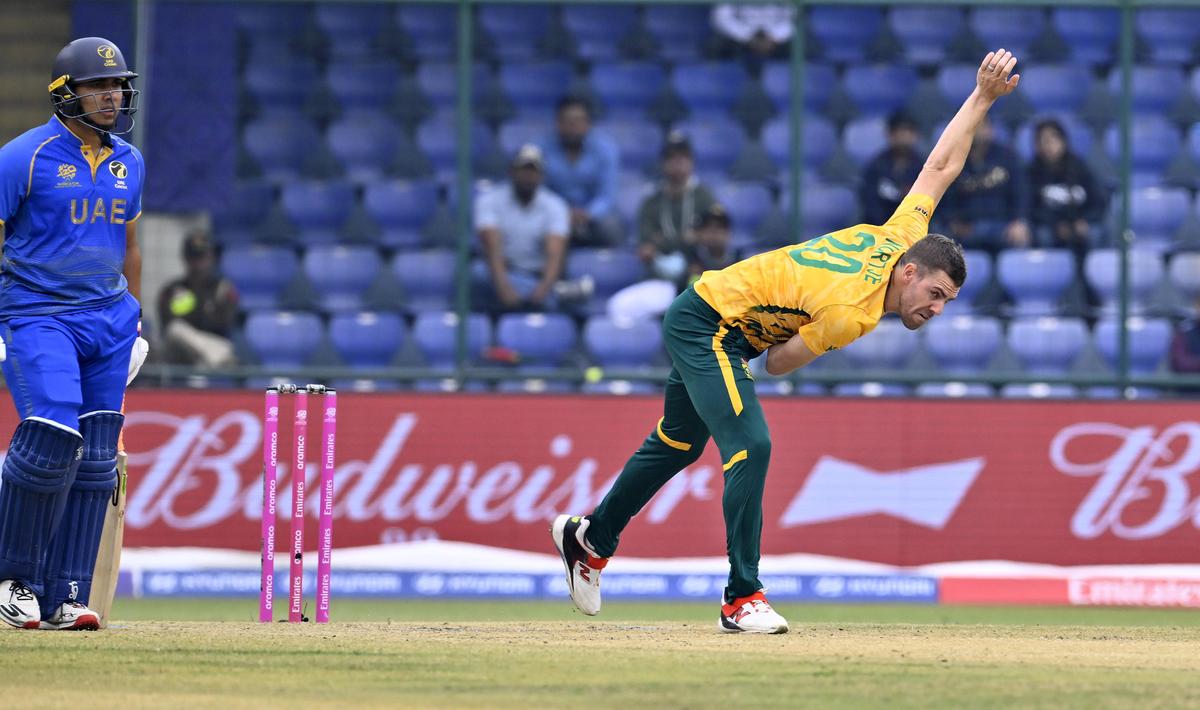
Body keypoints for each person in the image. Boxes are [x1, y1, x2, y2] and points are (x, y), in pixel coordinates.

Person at [552, 50, 1020, 634]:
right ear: (909, 273)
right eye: (938, 292)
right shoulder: (853, 311)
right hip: (712, 325)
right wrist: (787, 338)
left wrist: (980, 98)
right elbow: (777, 363)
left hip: (716, 318)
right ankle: (741, 597)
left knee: (677, 443)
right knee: (752, 443)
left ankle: (590, 539)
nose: (938, 308)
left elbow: (940, 169)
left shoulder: (902, 235)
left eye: (948, 301)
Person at [0, 37, 147, 630]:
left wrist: (136, 320)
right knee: (52, 431)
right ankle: (14, 579)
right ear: (66, 94)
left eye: (116, 85)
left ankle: (66, 593)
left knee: (97, 451)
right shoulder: (22, 157)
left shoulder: (128, 161)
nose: (111, 95)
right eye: (97, 86)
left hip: (109, 317)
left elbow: (130, 247)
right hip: (39, 312)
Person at [472, 144, 572, 312]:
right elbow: (491, 245)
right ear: (511, 171)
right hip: (501, 272)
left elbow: (555, 254)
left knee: (549, 296)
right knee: (477, 273)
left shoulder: (556, 205)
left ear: (541, 175)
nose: (528, 176)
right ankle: (555, 294)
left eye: (533, 171)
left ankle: (547, 294)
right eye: (523, 170)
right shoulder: (489, 200)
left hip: (537, 274)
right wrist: (504, 287)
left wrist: (543, 289)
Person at [539, 96, 623, 247]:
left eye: (578, 120)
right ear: (557, 123)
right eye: (567, 121)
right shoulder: (540, 149)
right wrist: (562, 213)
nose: (573, 126)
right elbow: (539, 191)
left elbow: (607, 195)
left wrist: (588, 213)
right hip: (554, 214)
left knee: (611, 227)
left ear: (588, 124)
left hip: (593, 217)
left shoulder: (606, 149)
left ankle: (605, 267)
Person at [636, 131, 718, 287]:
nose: (677, 163)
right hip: (659, 280)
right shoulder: (651, 202)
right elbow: (646, 249)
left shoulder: (704, 198)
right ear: (663, 163)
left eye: (682, 158)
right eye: (671, 158)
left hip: (699, 276)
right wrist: (687, 239)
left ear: (691, 162)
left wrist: (662, 242)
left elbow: (713, 240)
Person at [941, 117, 1030, 252]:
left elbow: (1020, 192)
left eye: (982, 126)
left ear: (991, 130)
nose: (977, 131)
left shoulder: (1007, 156)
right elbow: (947, 196)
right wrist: (953, 221)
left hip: (1003, 224)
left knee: (1021, 236)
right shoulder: (954, 159)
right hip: (968, 227)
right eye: (972, 126)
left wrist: (1019, 220)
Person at [155, 230, 239, 368]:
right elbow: (167, 326)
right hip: (181, 353)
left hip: (216, 345)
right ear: (185, 258)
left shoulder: (223, 289)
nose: (198, 263)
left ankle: (205, 363)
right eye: (194, 257)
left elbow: (225, 324)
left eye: (202, 257)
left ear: (211, 258)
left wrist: (192, 313)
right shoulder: (172, 290)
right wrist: (205, 311)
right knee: (176, 330)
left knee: (211, 357)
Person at [1027, 118, 1105, 256]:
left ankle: (1089, 276)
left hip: (1080, 222)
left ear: (1063, 141)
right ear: (1037, 146)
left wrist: (1085, 221)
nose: (1049, 145)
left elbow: (1098, 201)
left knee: (1096, 233)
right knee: (1043, 235)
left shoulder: (1079, 168)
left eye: (1053, 139)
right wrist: (1056, 225)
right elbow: (1031, 208)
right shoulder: (1032, 172)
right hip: (1049, 226)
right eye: (1043, 140)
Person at [859, 112, 924, 226]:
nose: (903, 137)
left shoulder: (924, 167)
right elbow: (870, 201)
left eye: (908, 132)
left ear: (916, 135)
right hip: (880, 227)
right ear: (889, 135)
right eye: (899, 132)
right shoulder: (877, 165)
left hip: (914, 227)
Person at [711, 4, 796, 60]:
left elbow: (794, 15)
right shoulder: (783, 33)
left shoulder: (776, 37)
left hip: (775, 42)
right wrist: (747, 36)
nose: (761, 45)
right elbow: (721, 15)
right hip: (742, 40)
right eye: (762, 48)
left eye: (759, 47)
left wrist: (774, 37)